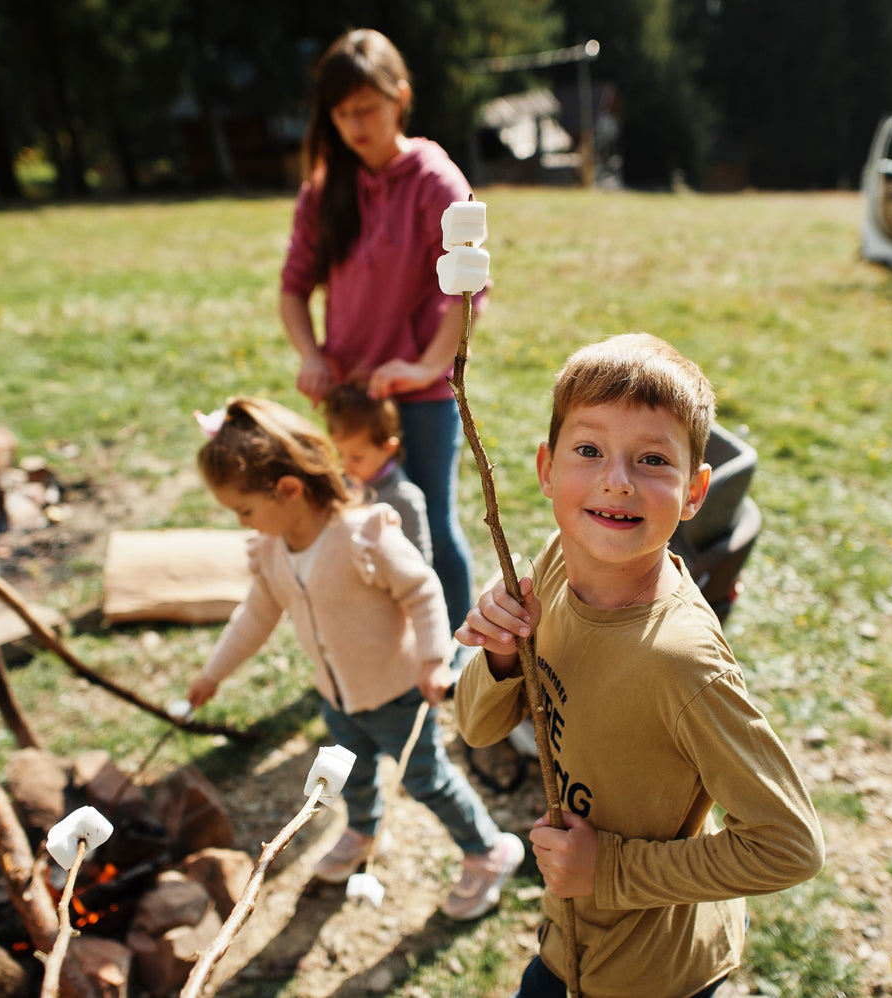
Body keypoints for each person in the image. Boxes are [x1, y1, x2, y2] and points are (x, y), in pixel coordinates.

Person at [453, 334, 825, 997]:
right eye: (589, 450)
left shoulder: (681, 663)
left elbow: (789, 844)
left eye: (652, 459)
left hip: (654, 972)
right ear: (545, 468)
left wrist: (610, 872)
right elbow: (479, 729)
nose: (616, 480)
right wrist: (503, 657)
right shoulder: (557, 561)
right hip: (571, 939)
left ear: (693, 491)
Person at [185, 396, 522, 919]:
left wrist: (434, 660)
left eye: (245, 509)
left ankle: (487, 850)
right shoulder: (273, 551)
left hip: (397, 692)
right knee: (352, 774)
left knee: (424, 779)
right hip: (339, 697)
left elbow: (423, 591)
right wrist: (213, 674)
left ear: (289, 489)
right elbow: (255, 617)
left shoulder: (363, 536)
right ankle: (363, 831)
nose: (242, 522)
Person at [279, 27, 479, 636]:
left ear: (401, 96)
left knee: (428, 518)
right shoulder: (323, 190)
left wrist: (425, 367)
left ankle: (457, 645)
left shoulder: (435, 180)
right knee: (362, 518)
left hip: (417, 396)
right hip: (349, 397)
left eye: (367, 108)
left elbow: (467, 291)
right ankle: (395, 634)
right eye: (341, 113)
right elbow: (292, 290)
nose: (355, 124)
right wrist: (312, 356)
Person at [323, 382, 432, 564]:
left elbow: (420, 561)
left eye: (356, 458)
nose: (344, 465)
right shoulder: (342, 485)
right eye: (340, 454)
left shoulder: (405, 498)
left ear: (388, 448)